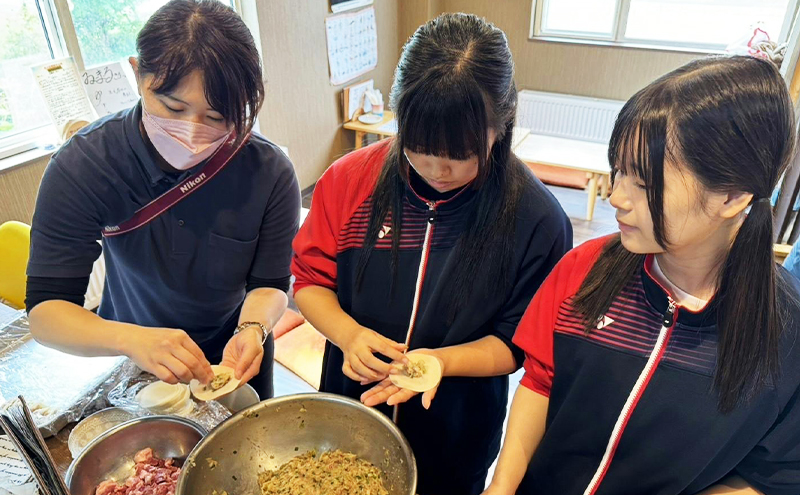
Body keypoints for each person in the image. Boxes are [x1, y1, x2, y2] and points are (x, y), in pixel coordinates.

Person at [485, 56, 800, 495]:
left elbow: (768, 475)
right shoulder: (584, 269)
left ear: (731, 195)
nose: (616, 196)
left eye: (645, 184)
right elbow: (540, 381)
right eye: (619, 171)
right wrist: (501, 485)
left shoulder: (786, 334)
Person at [292, 13, 572, 495]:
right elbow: (311, 282)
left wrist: (441, 362)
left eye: (461, 152)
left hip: (457, 425)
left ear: (501, 124)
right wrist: (349, 334)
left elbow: (515, 344)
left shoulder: (536, 219)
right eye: (418, 146)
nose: (436, 169)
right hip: (350, 406)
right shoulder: (348, 181)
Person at [25, 0, 300, 399]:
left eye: (217, 117)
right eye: (172, 107)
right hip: (128, 354)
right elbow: (47, 312)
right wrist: (132, 341)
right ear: (138, 74)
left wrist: (253, 329)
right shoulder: (84, 165)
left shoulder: (269, 172)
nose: (191, 133)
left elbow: (270, 284)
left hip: (233, 354)